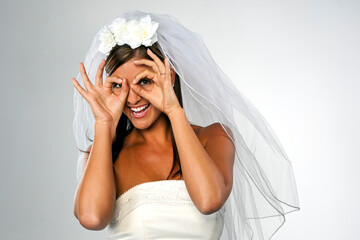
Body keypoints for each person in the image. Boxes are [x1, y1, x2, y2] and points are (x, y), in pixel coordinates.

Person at [72, 11, 300, 240]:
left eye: (144, 81)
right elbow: (92, 218)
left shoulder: (214, 137)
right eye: (119, 86)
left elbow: (208, 200)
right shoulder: (104, 154)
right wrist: (103, 124)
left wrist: (173, 110)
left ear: (169, 76)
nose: (132, 99)